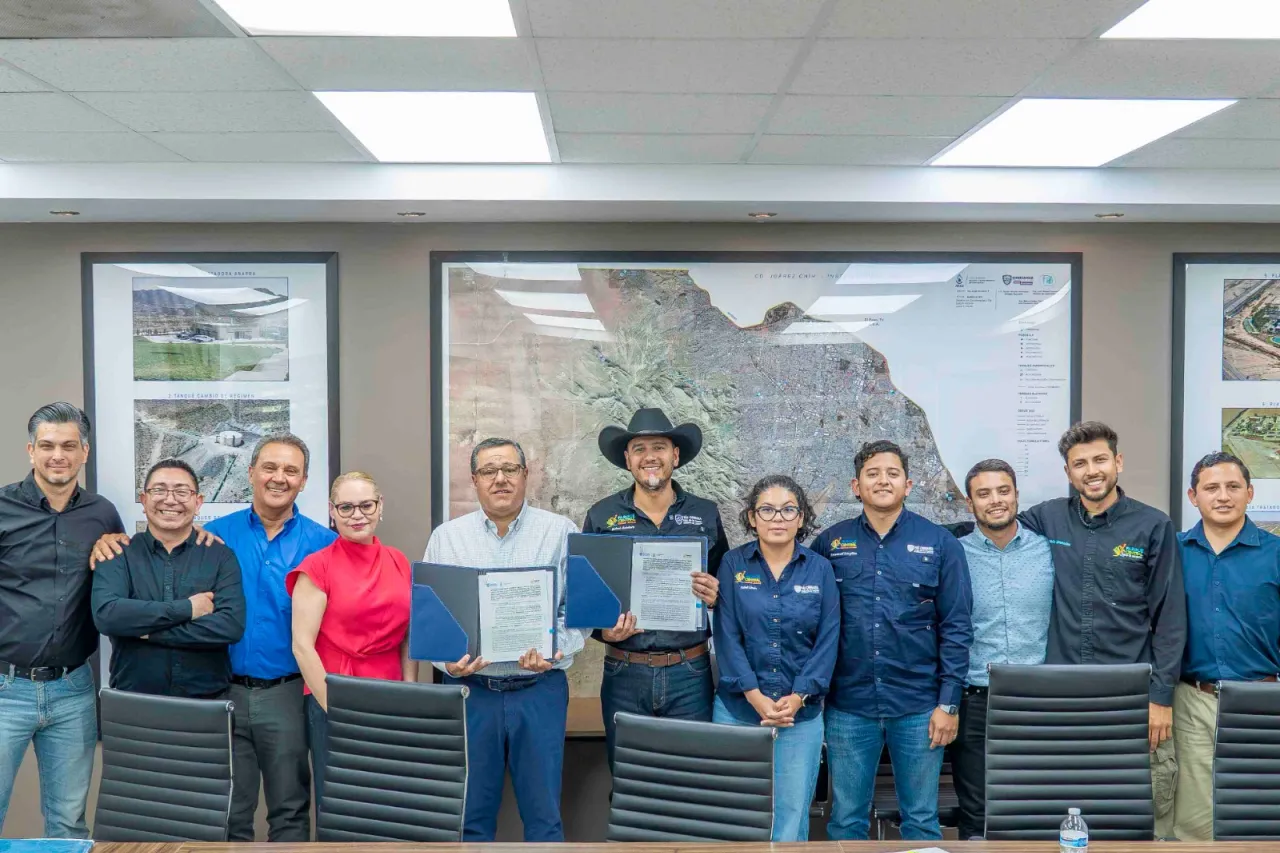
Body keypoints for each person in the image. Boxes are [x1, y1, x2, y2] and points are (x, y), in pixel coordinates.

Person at [94, 434, 336, 841]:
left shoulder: (324, 545)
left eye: (291, 470)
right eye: (270, 468)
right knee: (228, 811)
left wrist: (144, 629)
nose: (279, 478)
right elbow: (114, 612)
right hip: (224, 692)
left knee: (291, 808)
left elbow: (229, 624)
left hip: (288, 692)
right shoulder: (215, 537)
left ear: (304, 480)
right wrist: (109, 543)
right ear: (251, 473)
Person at [1018, 421, 1186, 838]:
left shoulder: (1153, 525)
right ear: (1068, 472)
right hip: (1060, 696)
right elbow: (989, 528)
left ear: (1118, 462)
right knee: (1063, 802)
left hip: (1128, 695)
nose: (1091, 471)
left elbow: (1169, 618)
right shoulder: (1047, 518)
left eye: (1099, 460)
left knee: (1128, 810)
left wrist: (1160, 697)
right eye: (1080, 463)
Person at [811, 439, 973, 841]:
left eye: (892, 473)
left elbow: (957, 627)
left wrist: (948, 703)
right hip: (848, 707)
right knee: (846, 820)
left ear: (908, 483)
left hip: (920, 707)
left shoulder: (941, 544)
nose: (883, 480)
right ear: (855, 485)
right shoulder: (829, 544)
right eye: (872, 473)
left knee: (920, 820)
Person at [424, 437, 583, 842]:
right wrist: (448, 663)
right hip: (470, 692)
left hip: (540, 690)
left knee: (544, 818)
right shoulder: (447, 538)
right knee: (470, 819)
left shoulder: (561, 532)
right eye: (489, 471)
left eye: (510, 469)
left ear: (526, 475)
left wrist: (555, 651)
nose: (500, 479)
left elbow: (578, 616)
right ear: (474, 480)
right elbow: (434, 620)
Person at [0, 403, 125, 838]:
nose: (59, 455)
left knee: (69, 823)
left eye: (69, 446)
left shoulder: (102, 514)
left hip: (73, 690)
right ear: (31, 450)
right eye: (48, 445)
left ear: (84, 452)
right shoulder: (1, 509)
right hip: (5, 689)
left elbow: (123, 576)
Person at [581, 408, 729, 770]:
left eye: (660, 447)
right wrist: (604, 631)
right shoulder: (601, 516)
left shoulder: (705, 514)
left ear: (675, 456)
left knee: (692, 784)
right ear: (628, 459)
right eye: (640, 448)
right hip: (625, 673)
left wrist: (716, 596)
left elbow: (727, 588)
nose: (650, 456)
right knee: (631, 783)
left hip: (690, 673)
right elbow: (587, 599)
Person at [712, 475, 838, 842]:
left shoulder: (820, 569)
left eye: (788, 509)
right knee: (735, 815)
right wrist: (754, 695)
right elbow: (727, 636)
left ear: (802, 518)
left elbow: (828, 642)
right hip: (738, 711)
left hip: (800, 716)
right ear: (752, 517)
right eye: (766, 509)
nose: (777, 518)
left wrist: (799, 697)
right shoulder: (733, 564)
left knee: (791, 816)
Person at [288, 471, 413, 811]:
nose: (357, 515)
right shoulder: (318, 566)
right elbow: (302, 645)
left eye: (366, 505)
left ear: (380, 506)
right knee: (342, 805)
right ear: (332, 511)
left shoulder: (399, 561)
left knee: (390, 802)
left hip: (390, 699)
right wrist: (336, 708)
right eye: (346, 508)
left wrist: (409, 692)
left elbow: (407, 636)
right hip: (335, 697)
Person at [1172, 451, 1280, 841]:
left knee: (1262, 816)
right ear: (1192, 496)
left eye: (1233, 486)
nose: (1223, 496)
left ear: (1250, 493)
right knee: (1195, 820)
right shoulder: (1173, 552)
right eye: (1211, 487)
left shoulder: (1276, 553)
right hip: (1192, 700)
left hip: (1264, 701)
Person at [951, 458, 1054, 841]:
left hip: (1038, 699)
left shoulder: (1047, 550)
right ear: (969, 503)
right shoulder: (953, 553)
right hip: (975, 698)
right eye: (984, 493)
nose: (995, 500)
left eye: (1003, 490)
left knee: (1036, 809)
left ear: (1016, 495)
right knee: (977, 815)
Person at [92, 458, 245, 698]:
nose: (170, 499)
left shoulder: (220, 557)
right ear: (144, 500)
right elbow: (108, 616)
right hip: (134, 702)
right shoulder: (117, 553)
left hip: (206, 703)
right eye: (159, 490)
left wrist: (145, 630)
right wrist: (187, 609)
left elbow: (229, 627)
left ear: (198, 502)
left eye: (182, 491)